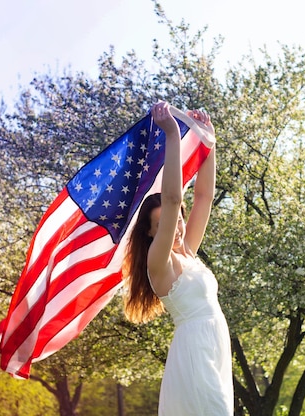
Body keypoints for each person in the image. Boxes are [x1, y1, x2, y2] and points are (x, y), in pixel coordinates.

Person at [123, 101, 233, 415]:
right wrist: (172, 135)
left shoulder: (188, 254)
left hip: (215, 348)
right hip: (194, 354)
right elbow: (173, 199)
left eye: (178, 220)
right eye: (164, 225)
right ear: (149, 233)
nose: (176, 227)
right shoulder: (160, 264)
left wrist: (208, 143)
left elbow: (204, 197)